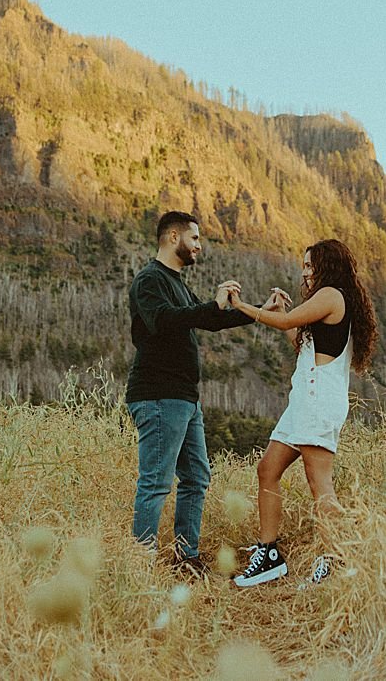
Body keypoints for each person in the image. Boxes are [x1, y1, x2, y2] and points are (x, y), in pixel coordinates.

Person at [126, 210, 273, 578]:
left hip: (185, 399)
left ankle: (185, 557)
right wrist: (210, 305)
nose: (199, 246)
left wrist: (257, 312)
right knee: (156, 482)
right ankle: (137, 568)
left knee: (197, 477)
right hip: (159, 396)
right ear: (173, 237)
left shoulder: (175, 281)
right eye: (194, 238)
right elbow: (164, 320)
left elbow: (208, 319)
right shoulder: (149, 280)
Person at [227, 238, 379, 587]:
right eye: (305, 265)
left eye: (310, 265)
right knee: (267, 469)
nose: (305, 271)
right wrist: (282, 312)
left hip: (318, 401)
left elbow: (285, 326)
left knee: (319, 483)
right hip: (303, 401)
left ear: (328, 266)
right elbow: (299, 339)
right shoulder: (329, 299)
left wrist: (242, 306)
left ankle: (337, 559)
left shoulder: (331, 295)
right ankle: (269, 555)